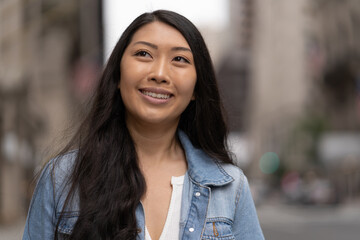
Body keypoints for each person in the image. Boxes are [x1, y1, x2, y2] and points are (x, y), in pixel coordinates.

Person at [23, 10, 264, 240]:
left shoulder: (230, 188)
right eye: (144, 54)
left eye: (179, 59)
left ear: (196, 89)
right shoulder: (62, 179)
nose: (160, 73)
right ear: (117, 75)